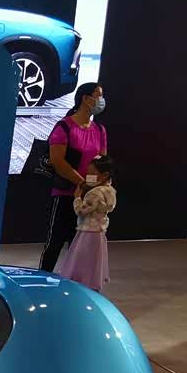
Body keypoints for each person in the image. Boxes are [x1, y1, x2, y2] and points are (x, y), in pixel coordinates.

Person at [40, 82, 107, 272]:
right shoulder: (64, 127)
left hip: (90, 198)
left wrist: (98, 187)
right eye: (98, 95)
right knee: (54, 242)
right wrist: (81, 183)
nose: (101, 100)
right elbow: (57, 161)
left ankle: (76, 282)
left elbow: (103, 162)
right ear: (86, 99)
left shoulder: (99, 130)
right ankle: (42, 280)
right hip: (65, 194)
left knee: (80, 245)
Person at [56, 155, 116, 291]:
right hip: (99, 231)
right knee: (94, 261)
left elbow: (81, 211)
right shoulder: (110, 191)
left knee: (82, 259)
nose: (88, 176)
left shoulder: (94, 193)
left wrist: (77, 198)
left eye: (92, 173)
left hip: (88, 231)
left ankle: (84, 283)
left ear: (104, 175)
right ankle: (92, 282)